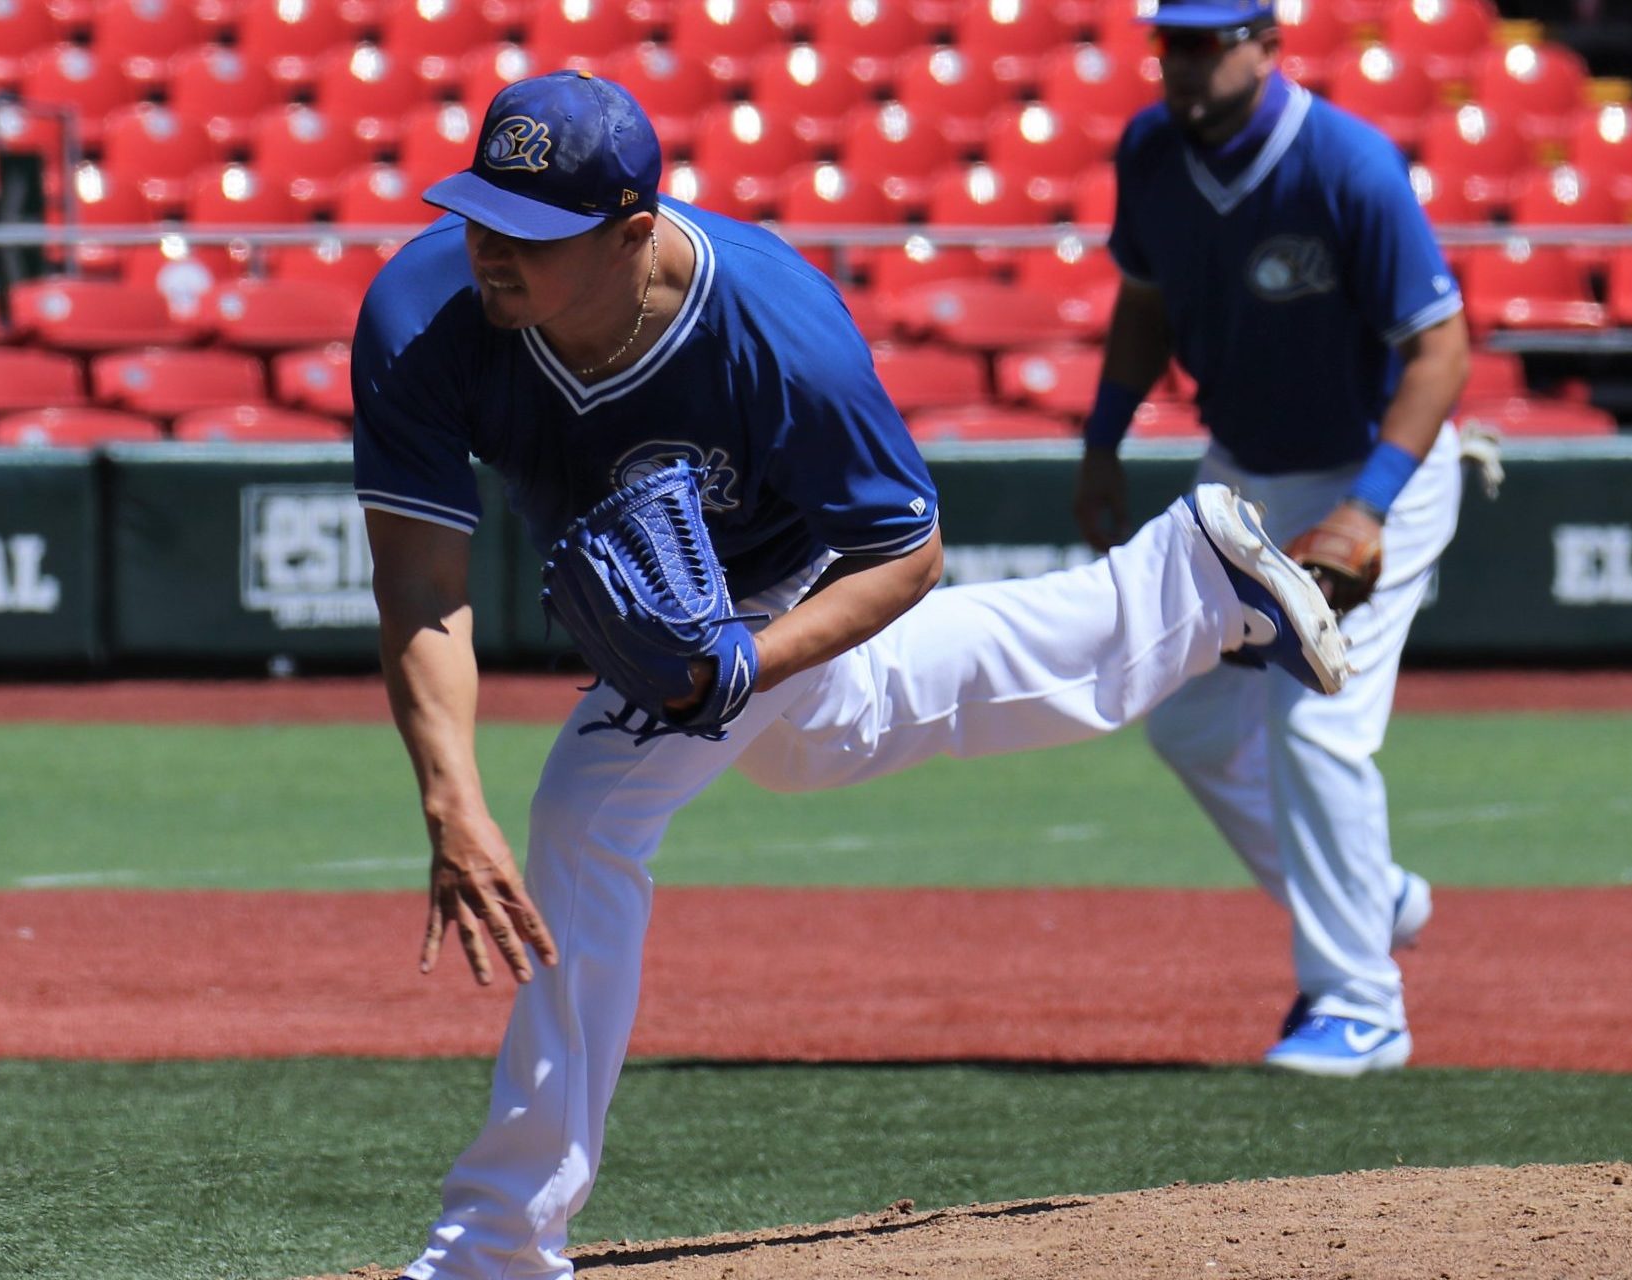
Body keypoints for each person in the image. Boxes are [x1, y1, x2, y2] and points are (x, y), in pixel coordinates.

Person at [356, 70, 1350, 1280]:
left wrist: (745, 660)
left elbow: (908, 549)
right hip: (685, 612)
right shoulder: (422, 309)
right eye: (479, 212)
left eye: (531, 231)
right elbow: (419, 588)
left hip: (783, 574)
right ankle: (1188, 588)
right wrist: (449, 796)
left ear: (628, 233)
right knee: (831, 731)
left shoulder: (775, 326)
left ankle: (496, 1238)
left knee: (584, 809)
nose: (490, 250)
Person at [1074, 0, 1474, 1077]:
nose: (1185, 60)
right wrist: (1102, 441)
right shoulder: (1151, 149)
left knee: (1315, 724)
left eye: (1207, 40)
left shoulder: (1348, 164)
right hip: (1245, 469)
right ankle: (1370, 893)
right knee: (1193, 724)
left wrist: (1368, 506)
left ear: (1266, 43)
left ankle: (1360, 1003)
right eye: (1171, 40)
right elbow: (1145, 299)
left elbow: (1439, 349)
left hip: (1374, 466)